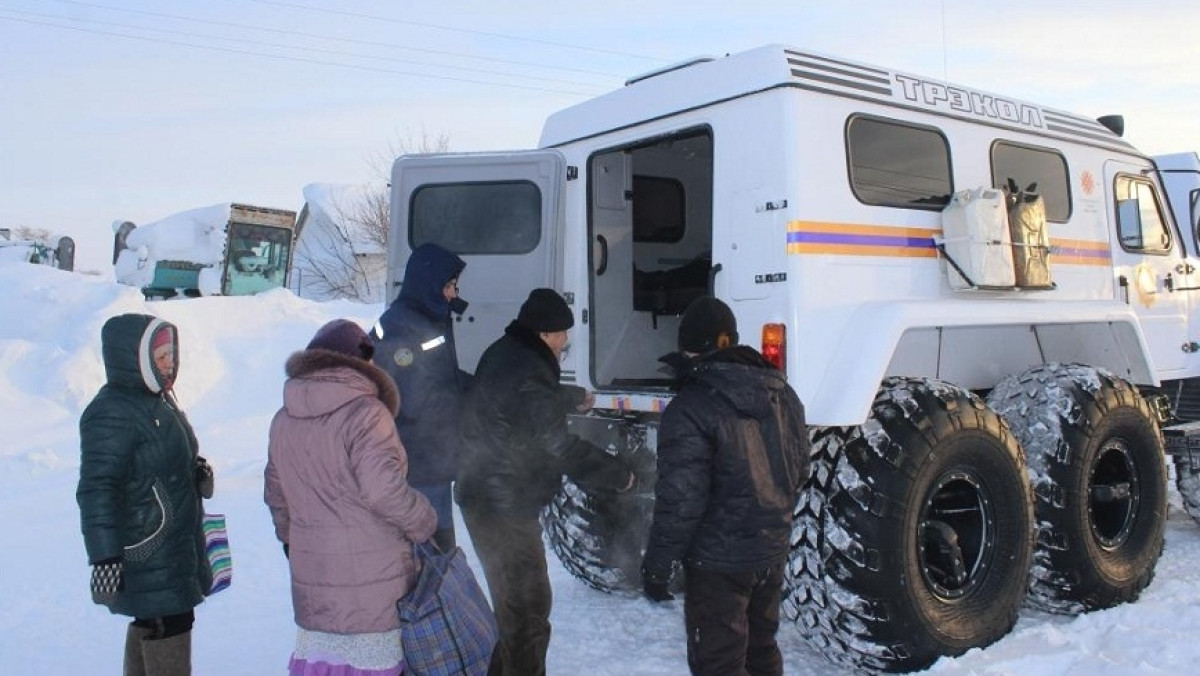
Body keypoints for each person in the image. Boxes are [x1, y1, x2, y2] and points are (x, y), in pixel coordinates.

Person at [457, 288, 635, 676]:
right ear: (544, 333)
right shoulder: (530, 369)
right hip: (502, 505)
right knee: (527, 611)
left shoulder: (506, 352)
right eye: (562, 333)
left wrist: (569, 397)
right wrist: (617, 474)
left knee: (515, 610)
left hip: (487, 495)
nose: (565, 341)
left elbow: (522, 401)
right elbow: (557, 446)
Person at [640, 296, 810, 676]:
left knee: (718, 663)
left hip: (717, 563)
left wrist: (658, 565)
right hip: (770, 552)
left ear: (688, 348)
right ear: (730, 339)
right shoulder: (784, 394)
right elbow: (799, 472)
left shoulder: (690, 406)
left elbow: (681, 500)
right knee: (762, 650)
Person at [264, 319, 437, 676]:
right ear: (358, 362)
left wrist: (293, 541)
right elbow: (382, 490)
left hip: (314, 577)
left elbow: (276, 495)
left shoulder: (283, 418)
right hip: (373, 580)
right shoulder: (366, 414)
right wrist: (424, 518)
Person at [77, 313, 214, 676]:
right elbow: (96, 488)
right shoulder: (112, 411)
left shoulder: (159, 402)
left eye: (171, 355)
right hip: (148, 545)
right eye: (161, 357)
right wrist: (105, 558)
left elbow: (160, 461)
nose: (169, 364)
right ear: (134, 360)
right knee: (170, 622)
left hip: (174, 542)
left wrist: (196, 471)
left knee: (158, 621)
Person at [371, 242, 470, 551]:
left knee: (434, 542)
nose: (454, 294)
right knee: (433, 546)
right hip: (418, 458)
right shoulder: (404, 327)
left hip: (430, 455)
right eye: (450, 286)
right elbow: (412, 397)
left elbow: (439, 376)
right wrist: (460, 408)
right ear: (430, 284)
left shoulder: (426, 317)